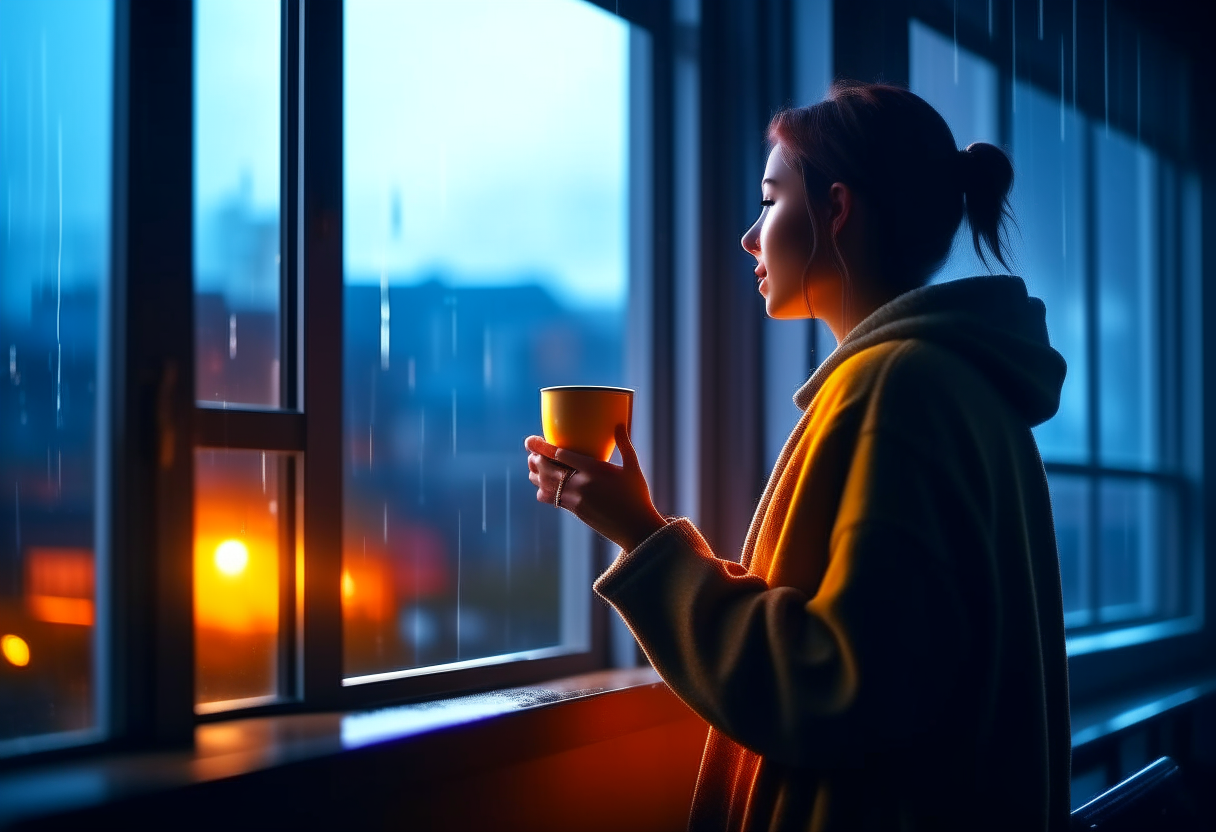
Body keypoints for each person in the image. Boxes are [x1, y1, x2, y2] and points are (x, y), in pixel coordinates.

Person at [525, 81, 1070, 831]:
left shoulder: (898, 386)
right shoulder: (963, 384)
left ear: (836, 209)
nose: (751, 236)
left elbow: (837, 685)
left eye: (771, 200)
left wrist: (644, 538)